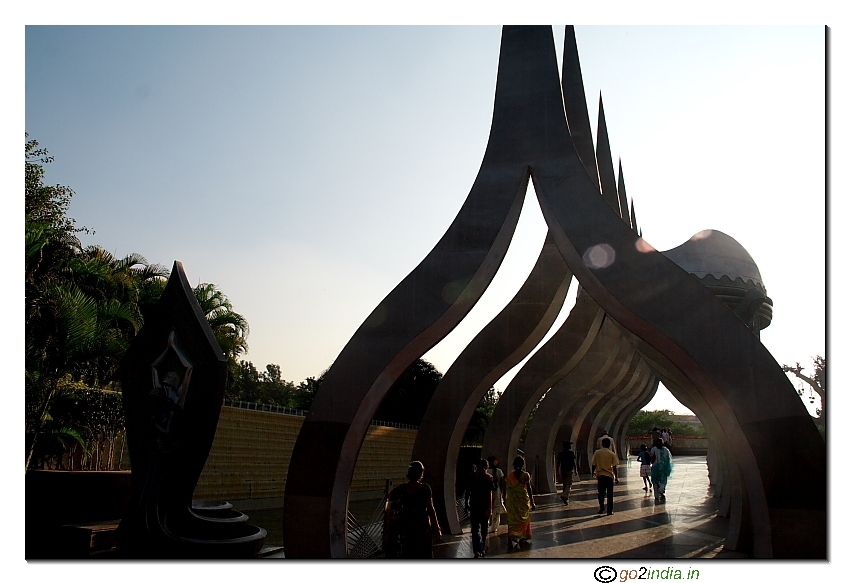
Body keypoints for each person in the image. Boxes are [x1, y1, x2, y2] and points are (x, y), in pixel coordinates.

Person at [384, 461, 442, 558]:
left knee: (409, 553)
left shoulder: (401, 489)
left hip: (407, 529)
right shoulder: (425, 488)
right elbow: (431, 510)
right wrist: (437, 528)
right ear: (421, 473)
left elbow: (390, 499)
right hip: (423, 529)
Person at [505, 455, 536, 550]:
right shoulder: (525, 475)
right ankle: (522, 536)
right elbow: (529, 489)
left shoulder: (510, 476)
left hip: (512, 502)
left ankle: (511, 537)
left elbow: (506, 489)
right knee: (524, 518)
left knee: (512, 520)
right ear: (523, 465)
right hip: (523, 501)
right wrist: (532, 501)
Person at [464, 459, 494, 558]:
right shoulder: (488, 477)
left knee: (475, 528)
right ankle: (482, 547)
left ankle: (476, 550)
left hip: (474, 505)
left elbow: (467, 491)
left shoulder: (472, 476)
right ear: (486, 467)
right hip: (484, 506)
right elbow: (489, 493)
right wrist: (490, 507)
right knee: (484, 528)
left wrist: (466, 504)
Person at [591, 437, 620, 515]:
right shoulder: (612, 454)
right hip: (609, 476)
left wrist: (592, 472)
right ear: (610, 445)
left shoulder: (597, 453)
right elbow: (614, 467)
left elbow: (593, 464)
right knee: (610, 494)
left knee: (601, 493)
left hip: (600, 475)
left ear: (602, 444)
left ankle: (602, 508)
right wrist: (616, 477)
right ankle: (609, 511)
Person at [486, 455, 506, 533]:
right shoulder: (499, 471)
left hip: (487, 492)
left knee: (488, 507)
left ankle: (487, 523)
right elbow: (502, 484)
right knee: (496, 510)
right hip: (497, 492)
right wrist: (503, 493)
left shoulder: (486, 471)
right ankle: (494, 527)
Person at [649, 438, 673, 503]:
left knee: (655, 482)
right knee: (663, 481)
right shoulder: (666, 450)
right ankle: (661, 490)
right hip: (663, 468)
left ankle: (656, 495)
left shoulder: (653, 449)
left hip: (655, 468)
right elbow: (668, 460)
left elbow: (651, 458)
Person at [556, 441, 578, 505]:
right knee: (569, 484)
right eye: (569, 445)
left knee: (564, 484)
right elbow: (573, 462)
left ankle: (565, 498)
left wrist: (557, 471)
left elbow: (558, 463)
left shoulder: (560, 453)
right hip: (569, 470)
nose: (570, 446)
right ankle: (565, 496)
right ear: (567, 446)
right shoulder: (571, 453)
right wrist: (575, 470)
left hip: (563, 470)